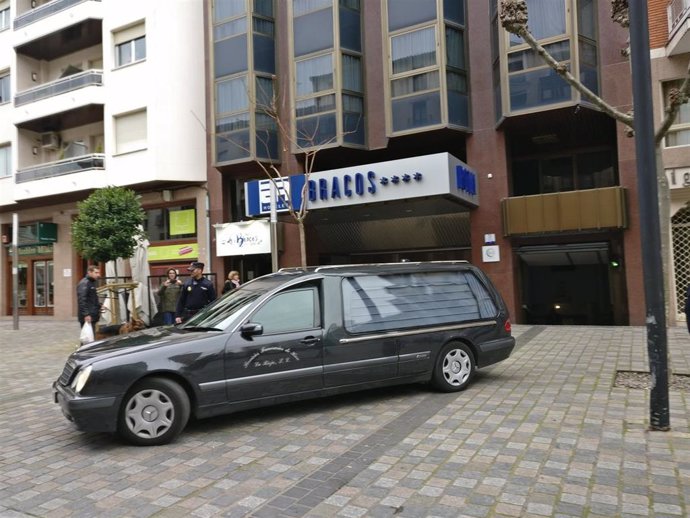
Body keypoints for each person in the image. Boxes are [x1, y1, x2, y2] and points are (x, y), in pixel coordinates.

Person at [77, 265, 102, 334]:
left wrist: (100, 306)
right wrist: (86, 314)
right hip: (88, 316)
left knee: (90, 337)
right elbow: (82, 300)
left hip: (92, 315)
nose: (98, 275)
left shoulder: (91, 283)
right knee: (87, 337)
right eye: (96, 273)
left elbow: (92, 299)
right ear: (89, 272)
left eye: (98, 273)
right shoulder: (85, 283)